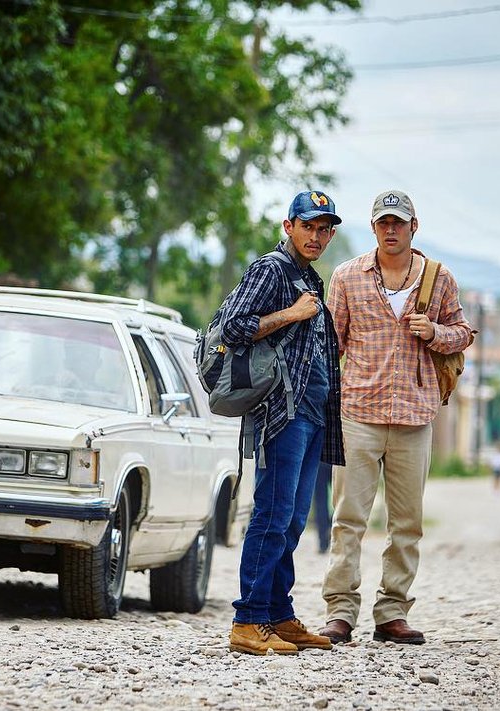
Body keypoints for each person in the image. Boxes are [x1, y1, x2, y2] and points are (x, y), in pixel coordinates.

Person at [319, 189, 474, 646]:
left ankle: (391, 613)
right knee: (348, 518)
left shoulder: (439, 279)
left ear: (413, 227)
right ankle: (341, 612)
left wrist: (436, 333)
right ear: (373, 228)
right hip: (359, 413)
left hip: (414, 414)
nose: (391, 229)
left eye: (399, 222)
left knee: (406, 522)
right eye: (383, 222)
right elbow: (333, 344)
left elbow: (463, 334)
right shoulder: (346, 277)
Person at [221, 190, 346, 656]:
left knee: (293, 520)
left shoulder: (309, 277)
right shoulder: (270, 269)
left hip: (314, 416)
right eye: (308, 226)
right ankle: (248, 620)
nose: (316, 236)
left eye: (324, 229)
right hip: (282, 414)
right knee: (272, 515)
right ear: (288, 225)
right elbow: (234, 326)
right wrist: (292, 313)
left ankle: (278, 614)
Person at [314, 463, 333, 552]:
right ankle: (332, 524)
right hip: (338, 457)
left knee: (320, 501)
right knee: (342, 497)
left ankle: (323, 543)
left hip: (319, 459)